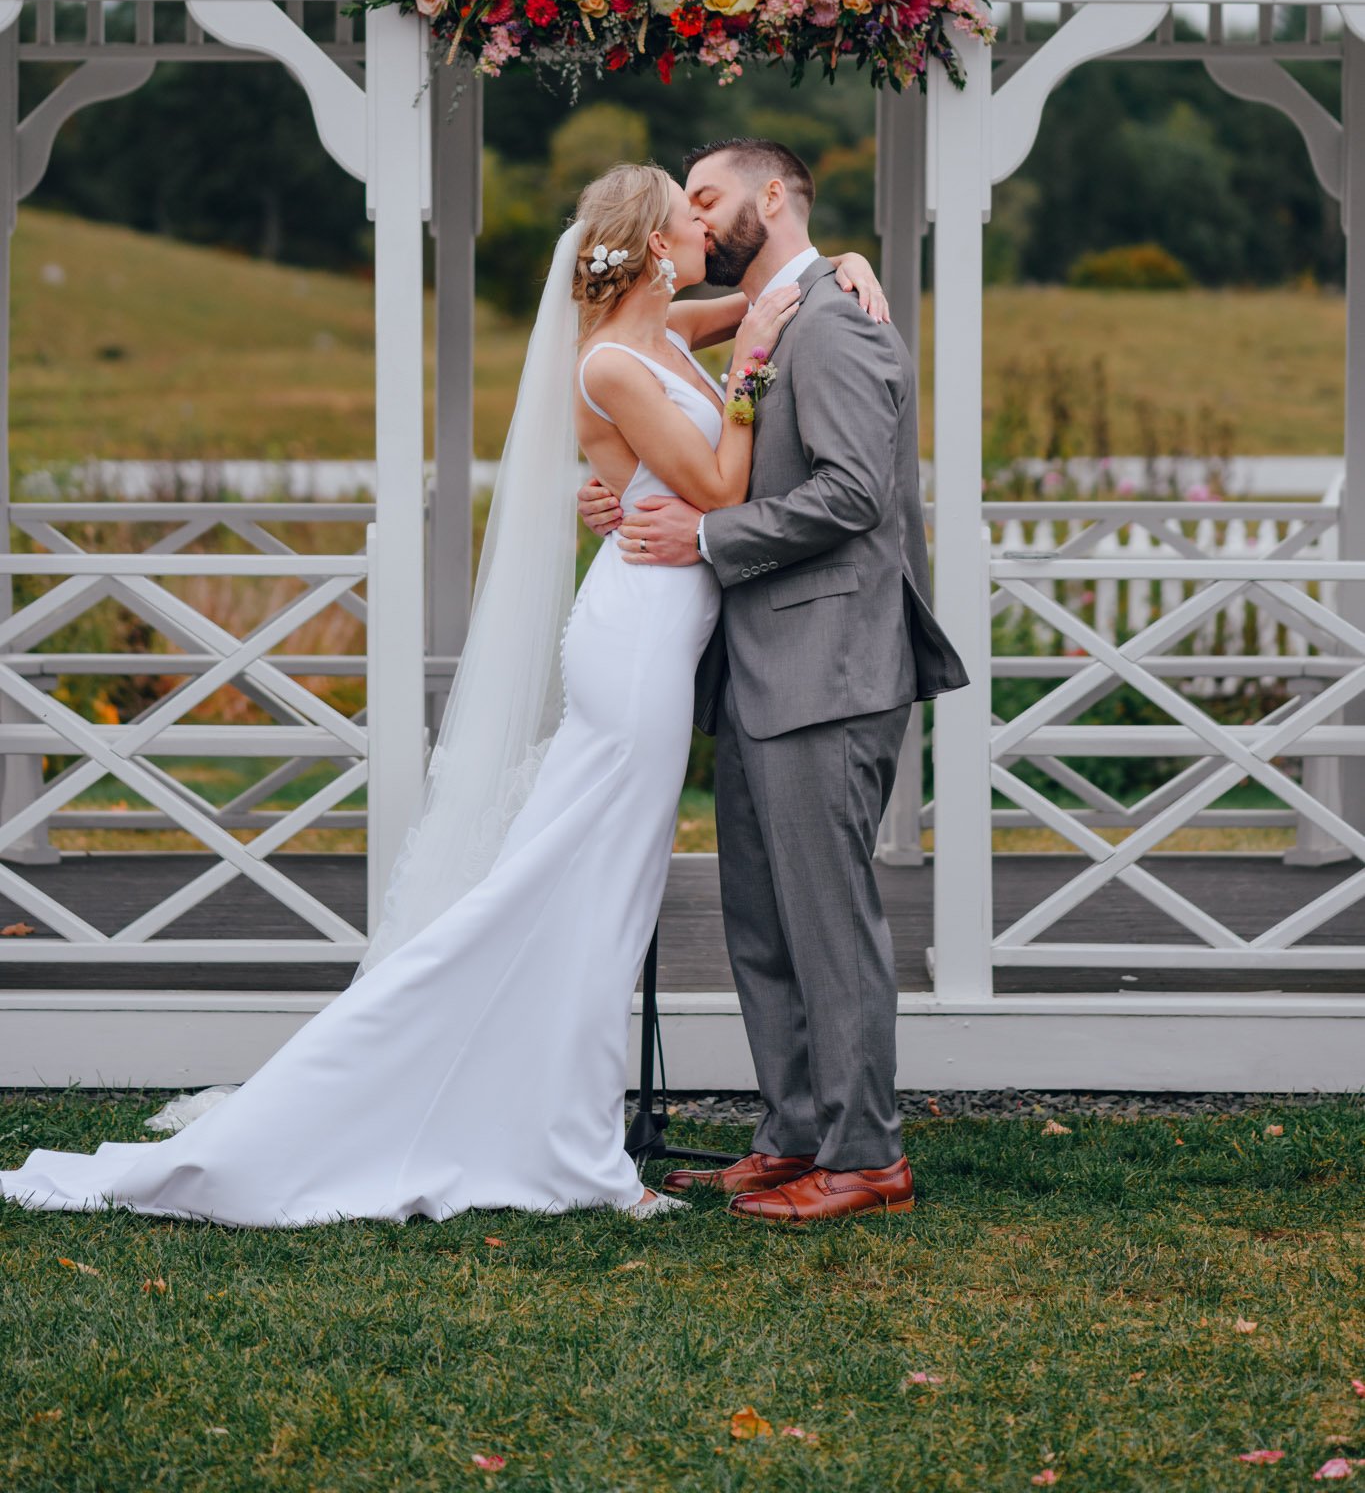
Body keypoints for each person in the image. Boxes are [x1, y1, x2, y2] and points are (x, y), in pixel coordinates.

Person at [0, 161, 889, 1228]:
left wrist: (844, 260)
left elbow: (762, 294)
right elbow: (718, 490)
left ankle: (565, 1110)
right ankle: (546, 1124)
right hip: (638, 643)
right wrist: (746, 374)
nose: (705, 223)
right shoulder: (613, 360)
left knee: (596, 887)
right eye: (688, 211)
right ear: (656, 243)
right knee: (579, 885)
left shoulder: (659, 332)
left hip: (660, 624)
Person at [578, 138, 968, 1225]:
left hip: (830, 663)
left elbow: (852, 496)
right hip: (755, 666)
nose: (694, 220)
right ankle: (792, 1131)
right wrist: (627, 491)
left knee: (827, 918)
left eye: (707, 196)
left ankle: (865, 1152)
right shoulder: (773, 313)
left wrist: (705, 533)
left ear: (773, 195)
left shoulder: (836, 322)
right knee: (760, 915)